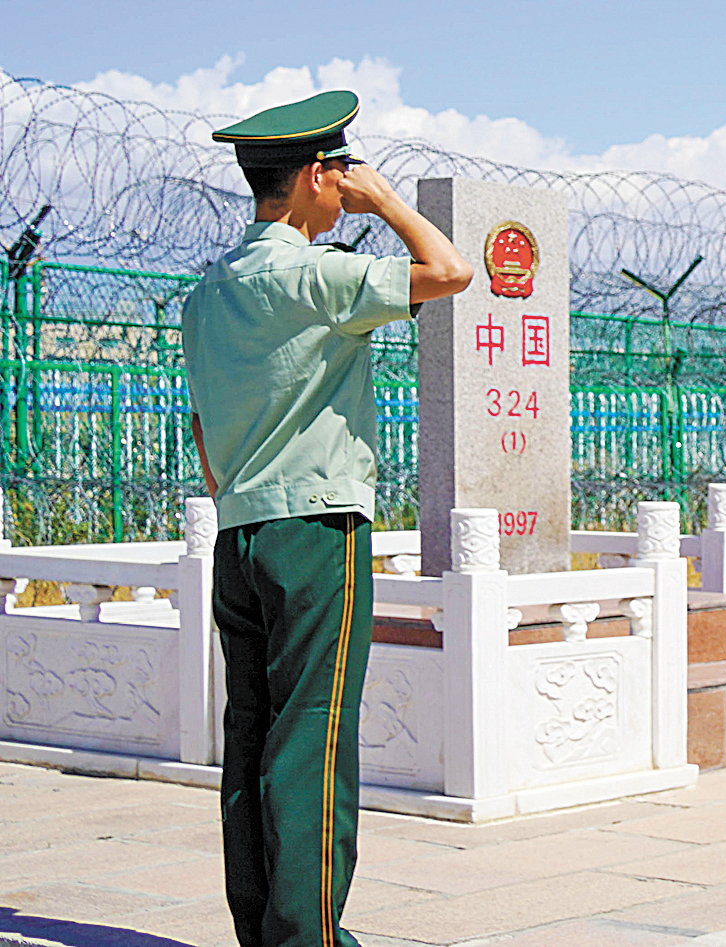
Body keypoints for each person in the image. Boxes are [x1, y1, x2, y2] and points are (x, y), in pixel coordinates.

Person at [182, 91, 473, 947]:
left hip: (240, 531)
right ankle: (306, 938)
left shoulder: (208, 294)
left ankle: (261, 929)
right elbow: (451, 271)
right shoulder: (319, 274)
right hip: (315, 528)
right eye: (340, 171)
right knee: (315, 733)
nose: (347, 186)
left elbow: (204, 426)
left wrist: (243, 492)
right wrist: (385, 202)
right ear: (316, 174)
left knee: (252, 731)